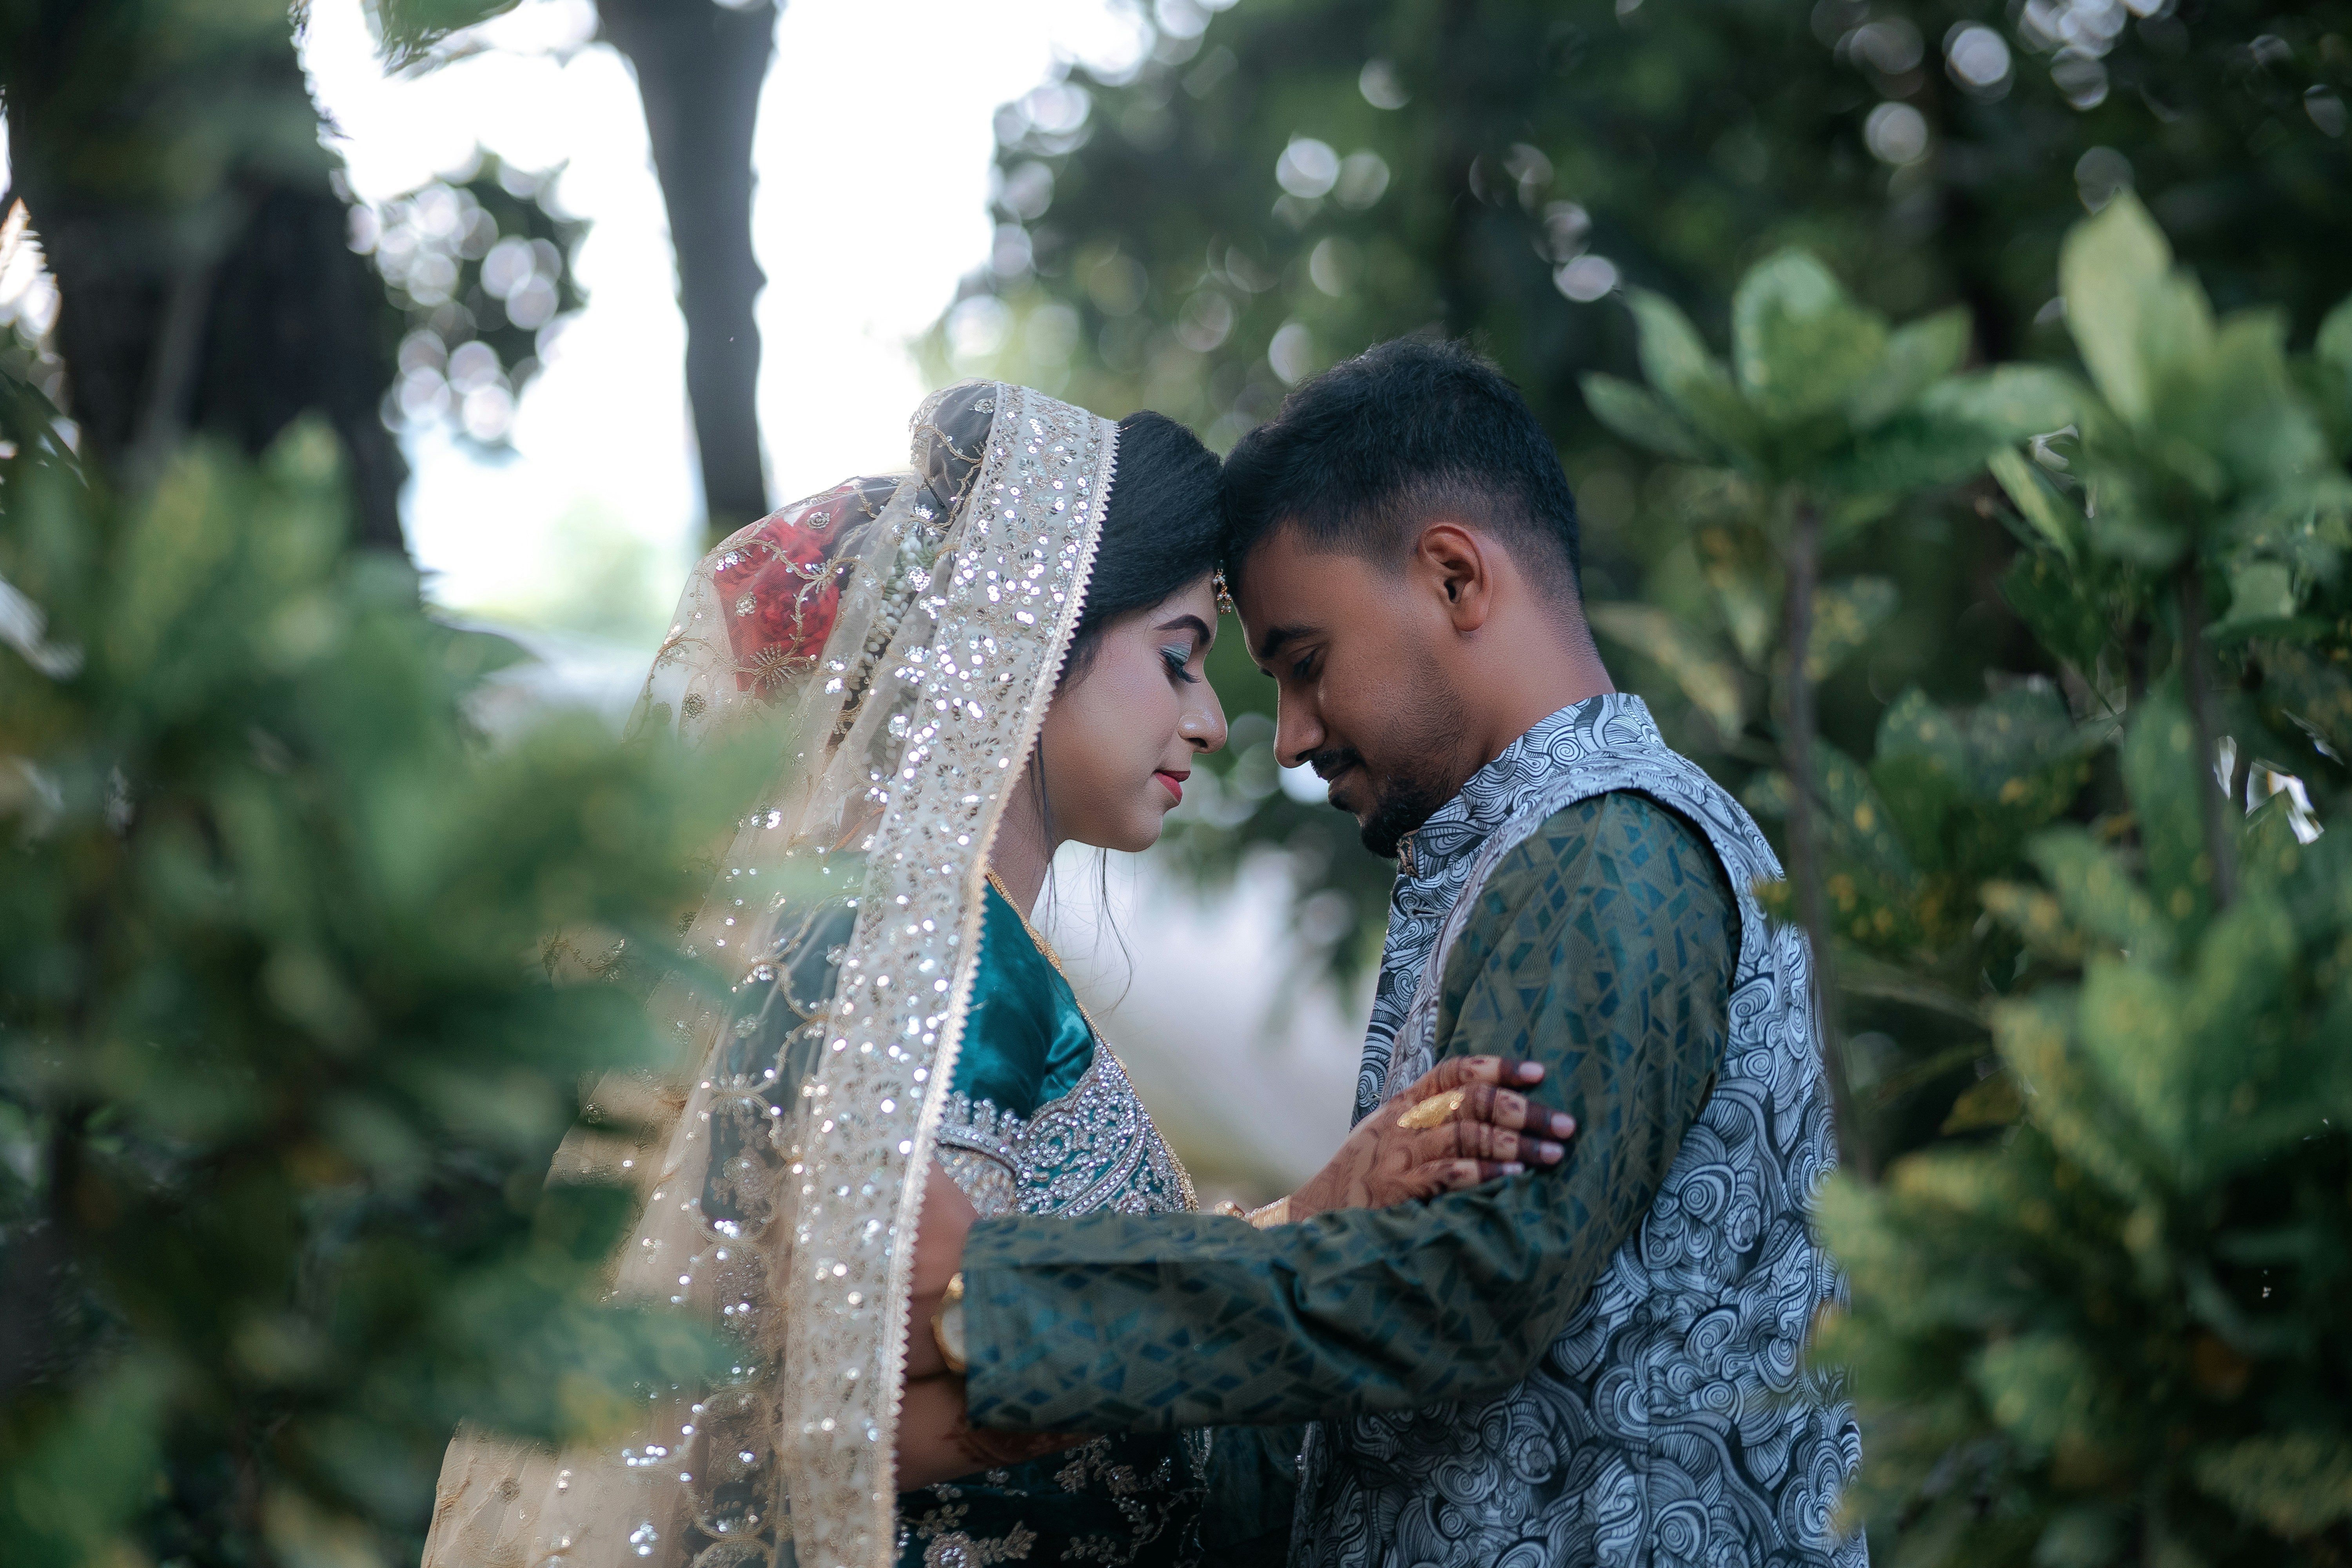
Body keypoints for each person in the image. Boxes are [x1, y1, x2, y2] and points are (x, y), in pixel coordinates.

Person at [418, 381, 1576, 1568]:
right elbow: (861, 1410)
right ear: (1032, 636)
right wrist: (1308, 1254)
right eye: (1179, 660)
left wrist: (1312, 1212)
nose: (1214, 723)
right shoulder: (939, 958)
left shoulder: (920, 940)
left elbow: (996, 1308)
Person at [907, 340, 1866, 1568]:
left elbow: (1461, 1291)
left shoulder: (1611, 851)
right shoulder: (1527, 856)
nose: (1290, 737)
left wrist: (994, 1301)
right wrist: (1315, 1210)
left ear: (1456, 578)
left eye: (1305, 665)